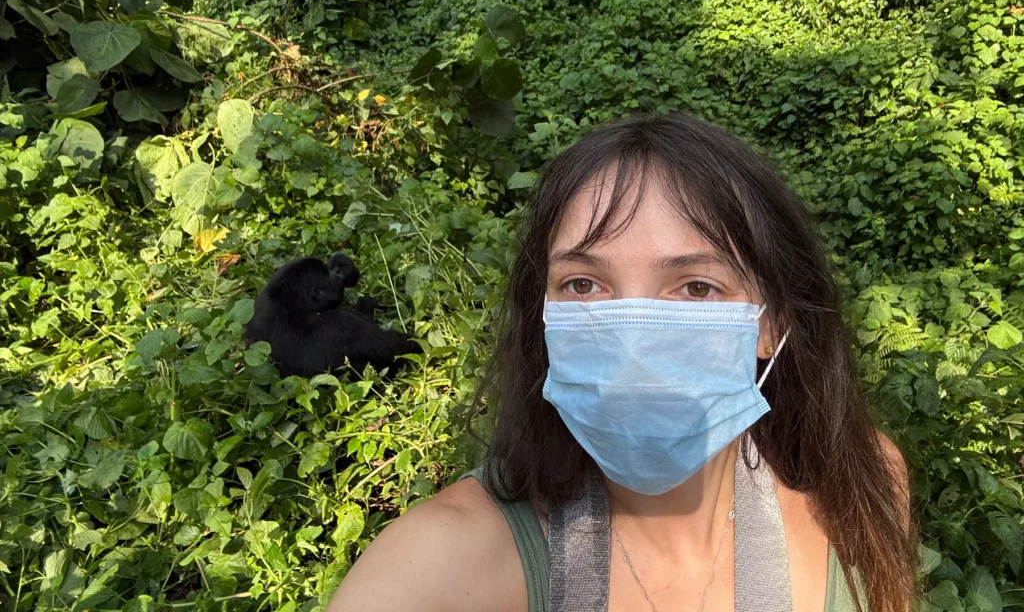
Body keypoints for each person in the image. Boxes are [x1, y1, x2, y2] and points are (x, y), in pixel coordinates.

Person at [329, 113, 916, 612]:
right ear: (543, 312)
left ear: (772, 322)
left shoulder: (864, 487)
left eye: (695, 287)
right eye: (584, 284)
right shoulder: (445, 565)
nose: (633, 341)